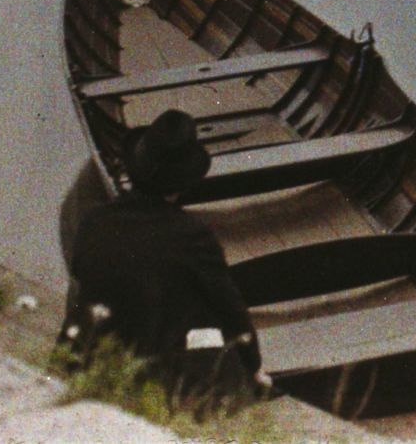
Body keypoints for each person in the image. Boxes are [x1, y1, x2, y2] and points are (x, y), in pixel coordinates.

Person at [60, 111, 269, 412]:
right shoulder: (193, 236)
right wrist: (253, 368)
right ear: (183, 185)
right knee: (202, 306)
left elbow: (81, 278)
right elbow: (232, 312)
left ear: (133, 171)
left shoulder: (93, 220)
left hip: (90, 360)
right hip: (152, 376)